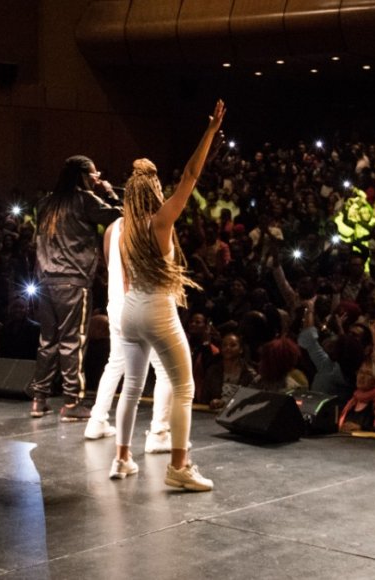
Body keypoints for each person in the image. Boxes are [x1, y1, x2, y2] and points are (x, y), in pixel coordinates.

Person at [112, 100, 225, 491]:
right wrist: (209, 132)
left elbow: (125, 276)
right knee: (185, 388)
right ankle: (179, 467)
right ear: (154, 191)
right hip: (157, 308)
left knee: (131, 385)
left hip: (130, 310)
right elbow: (192, 175)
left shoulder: (123, 228)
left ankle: (123, 457)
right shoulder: (160, 222)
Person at [27, 155, 122, 420]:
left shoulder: (45, 203)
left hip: (45, 281)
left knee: (48, 341)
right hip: (73, 281)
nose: (97, 178)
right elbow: (119, 216)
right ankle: (71, 402)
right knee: (73, 340)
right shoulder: (85, 200)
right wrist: (109, 191)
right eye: (94, 175)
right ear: (84, 176)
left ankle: (39, 399)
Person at [85, 214, 174, 460]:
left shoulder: (112, 228)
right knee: (164, 369)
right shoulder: (153, 225)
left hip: (116, 306)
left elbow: (109, 263)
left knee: (115, 363)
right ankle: (158, 433)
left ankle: (96, 420)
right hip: (142, 305)